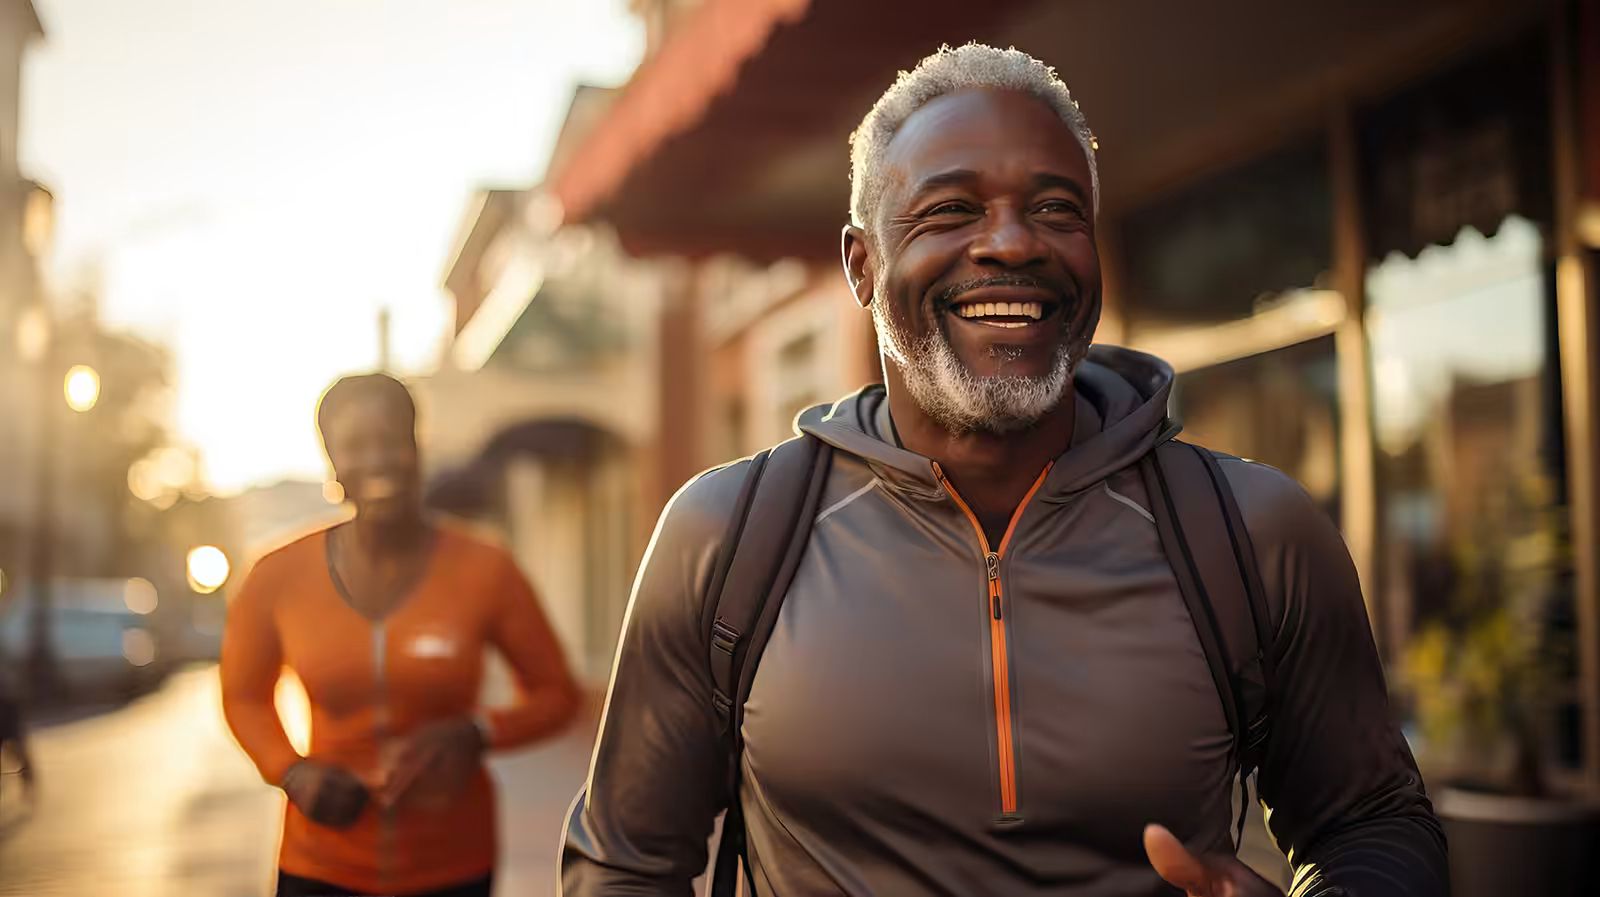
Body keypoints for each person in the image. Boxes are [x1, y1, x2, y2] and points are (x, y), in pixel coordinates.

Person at [560, 44, 1448, 897]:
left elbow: (1374, 822)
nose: (1013, 244)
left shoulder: (1253, 533)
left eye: (1058, 209)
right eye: (951, 210)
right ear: (861, 264)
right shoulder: (728, 538)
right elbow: (625, 865)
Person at [222, 373, 579, 897]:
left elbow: (557, 695)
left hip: (452, 862)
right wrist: (292, 773)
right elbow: (243, 696)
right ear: (332, 464)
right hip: (321, 861)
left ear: (418, 448)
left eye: (392, 440)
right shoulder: (275, 575)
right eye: (355, 446)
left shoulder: (486, 569)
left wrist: (475, 732)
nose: (378, 461)